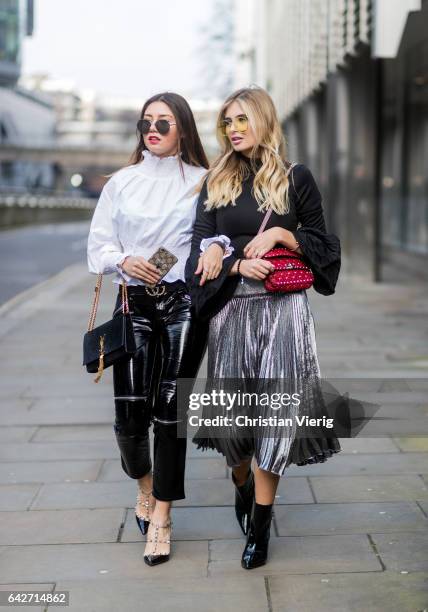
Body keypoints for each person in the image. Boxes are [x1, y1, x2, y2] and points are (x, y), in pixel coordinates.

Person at [186, 85, 342, 570]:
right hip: (233, 312)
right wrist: (229, 263)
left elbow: (325, 247)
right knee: (235, 426)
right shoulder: (216, 180)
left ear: (264, 121)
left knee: (277, 418)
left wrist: (282, 234)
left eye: (241, 120)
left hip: (285, 314)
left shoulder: (297, 179)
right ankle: (242, 484)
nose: (233, 129)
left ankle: (261, 524)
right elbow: (195, 252)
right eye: (227, 122)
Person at [87, 91, 218, 566]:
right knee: (129, 419)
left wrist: (213, 249)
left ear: (183, 128)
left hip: (184, 305)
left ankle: (161, 514)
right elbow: (97, 248)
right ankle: (144, 484)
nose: (154, 130)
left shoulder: (204, 180)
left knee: (170, 410)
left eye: (164, 122)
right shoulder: (122, 182)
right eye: (147, 122)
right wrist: (124, 259)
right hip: (133, 306)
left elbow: (213, 233)